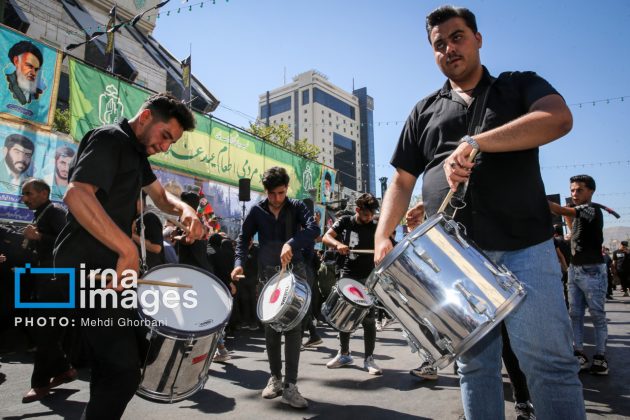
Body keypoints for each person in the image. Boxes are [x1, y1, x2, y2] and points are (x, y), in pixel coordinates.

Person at [374, 6, 585, 419]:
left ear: (477, 38)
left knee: (549, 365)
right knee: (474, 368)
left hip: (525, 247)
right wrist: (384, 235)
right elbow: (401, 182)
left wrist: (476, 141)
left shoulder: (518, 86)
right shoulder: (423, 110)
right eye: (439, 45)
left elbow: (558, 119)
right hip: (453, 259)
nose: (449, 49)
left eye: (457, 37)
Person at [53, 92, 201, 420]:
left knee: (134, 358)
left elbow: (163, 199)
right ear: (146, 117)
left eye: (172, 142)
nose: (166, 146)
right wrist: (126, 248)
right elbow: (77, 194)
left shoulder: (136, 155)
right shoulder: (111, 139)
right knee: (121, 373)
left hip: (112, 276)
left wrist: (186, 210)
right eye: (165, 136)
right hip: (87, 271)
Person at [231, 166, 319, 409]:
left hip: (296, 271)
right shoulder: (256, 210)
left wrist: (292, 243)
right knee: (271, 329)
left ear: (287, 189)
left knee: (293, 327)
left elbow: (314, 230)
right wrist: (238, 264)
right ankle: (275, 379)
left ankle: (291, 386)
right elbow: (243, 239)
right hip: (268, 274)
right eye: (272, 194)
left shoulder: (298, 207)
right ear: (265, 191)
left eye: (281, 193)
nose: (277, 199)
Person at [20, 179, 77, 403]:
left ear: (44, 193)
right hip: (46, 281)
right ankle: (64, 369)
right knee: (43, 331)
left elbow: (68, 243)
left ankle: (40, 384)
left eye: (29, 193)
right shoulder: (42, 214)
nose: (25, 198)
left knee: (45, 332)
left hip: (58, 283)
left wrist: (39, 237)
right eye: (23, 194)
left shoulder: (54, 212)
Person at [550, 175, 608, 375]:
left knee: (597, 316)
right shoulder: (580, 215)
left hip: (592, 270)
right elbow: (570, 222)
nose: (574, 194)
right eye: (572, 190)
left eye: (579, 190)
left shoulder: (590, 209)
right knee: (575, 315)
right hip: (575, 270)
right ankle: (579, 353)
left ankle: (600, 357)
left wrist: (537, 197)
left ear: (591, 191)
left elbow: (561, 210)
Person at [322, 193, 382, 375]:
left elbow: (388, 244)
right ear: (357, 210)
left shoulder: (376, 225)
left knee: (369, 319)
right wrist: (337, 244)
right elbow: (326, 237)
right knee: (344, 316)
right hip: (348, 275)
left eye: (372, 214)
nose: (369, 217)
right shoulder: (345, 221)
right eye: (365, 214)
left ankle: (369, 359)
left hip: (368, 277)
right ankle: (344, 354)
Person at [131, 193, 165, 270]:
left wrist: (132, 235)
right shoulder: (135, 219)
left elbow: (156, 247)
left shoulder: (150, 218)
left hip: (152, 272)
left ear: (140, 202)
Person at [5, 41, 44, 105]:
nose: (33, 73)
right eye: (29, 66)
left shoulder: (37, 93)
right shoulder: (4, 82)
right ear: (16, 61)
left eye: (36, 69)